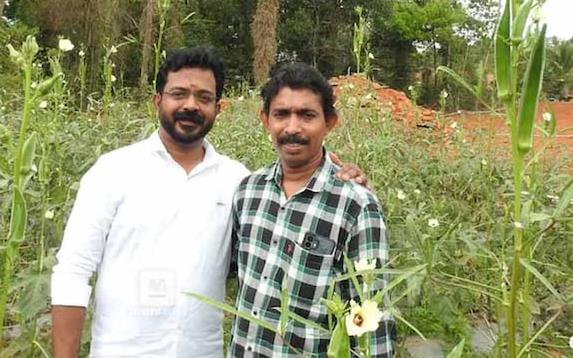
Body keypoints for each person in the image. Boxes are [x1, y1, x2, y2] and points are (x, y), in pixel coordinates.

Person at [50, 47, 367, 358]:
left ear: (219, 107)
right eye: (178, 94)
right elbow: (72, 274)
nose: (191, 105)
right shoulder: (113, 171)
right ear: (157, 101)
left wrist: (339, 175)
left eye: (203, 98)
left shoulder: (239, 183)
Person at [229, 62, 395, 357]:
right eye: (281, 114)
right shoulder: (248, 191)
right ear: (265, 119)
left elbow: (372, 318)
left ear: (329, 121)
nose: (292, 128)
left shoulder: (355, 205)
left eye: (307, 115)